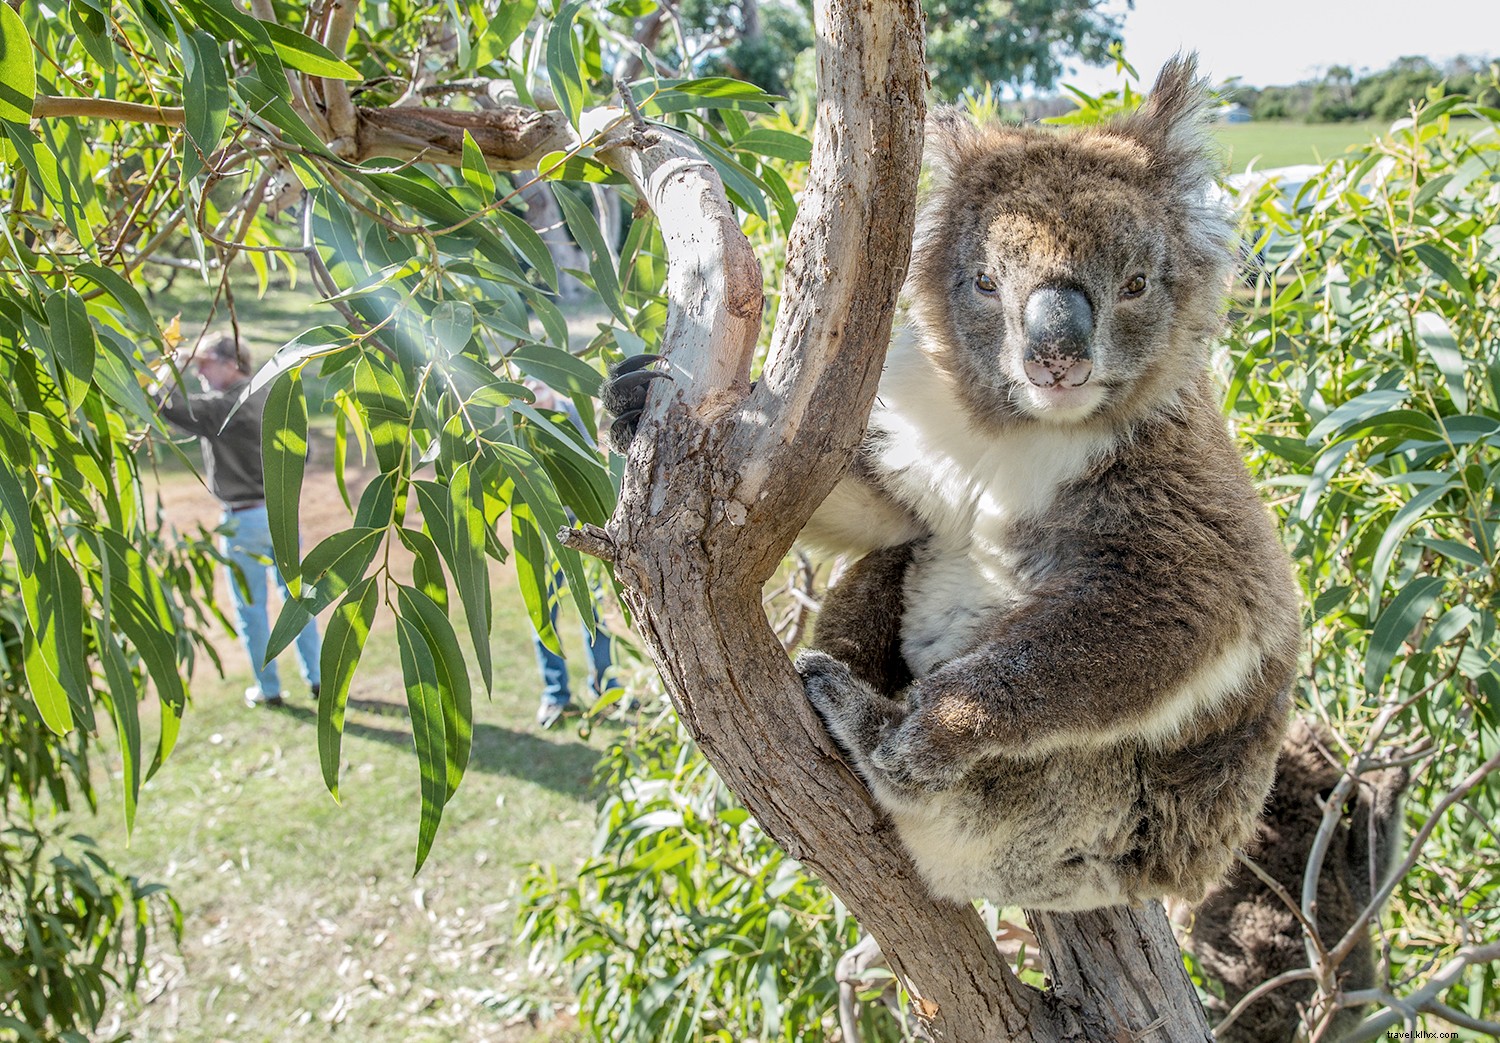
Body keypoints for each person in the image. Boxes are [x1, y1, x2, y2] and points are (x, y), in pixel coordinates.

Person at [157, 332, 321, 709]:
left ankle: (268, 688)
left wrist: (170, 366)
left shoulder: (222, 408)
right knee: (297, 600)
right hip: (282, 513)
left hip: (243, 518)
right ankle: (318, 677)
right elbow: (305, 452)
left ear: (232, 364)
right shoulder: (273, 396)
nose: (199, 371)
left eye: (205, 363)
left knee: (252, 610)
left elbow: (169, 406)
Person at [523, 380, 622, 729]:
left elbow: (594, 462)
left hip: (583, 521)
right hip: (542, 528)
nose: (532, 386)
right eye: (523, 379)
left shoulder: (572, 413)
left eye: (537, 378)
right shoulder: (516, 425)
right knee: (543, 611)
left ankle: (605, 687)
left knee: (595, 610)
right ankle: (555, 696)